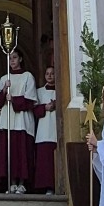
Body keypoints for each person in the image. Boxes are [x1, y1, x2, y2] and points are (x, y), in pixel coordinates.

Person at [0, 46, 36, 193]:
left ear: (20, 59)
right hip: (8, 120)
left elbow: (30, 101)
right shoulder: (4, 78)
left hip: (21, 121)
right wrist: (5, 90)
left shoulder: (27, 76)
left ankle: (22, 182)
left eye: (14, 58)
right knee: (9, 152)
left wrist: (13, 99)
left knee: (22, 152)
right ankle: (11, 182)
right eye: (10, 58)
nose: (12, 61)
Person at [33, 65, 58, 193]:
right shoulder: (39, 92)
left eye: (52, 73)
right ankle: (43, 187)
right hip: (43, 130)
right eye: (47, 73)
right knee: (44, 161)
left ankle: (54, 186)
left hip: (55, 129)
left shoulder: (61, 91)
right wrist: (45, 108)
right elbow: (34, 110)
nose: (49, 75)